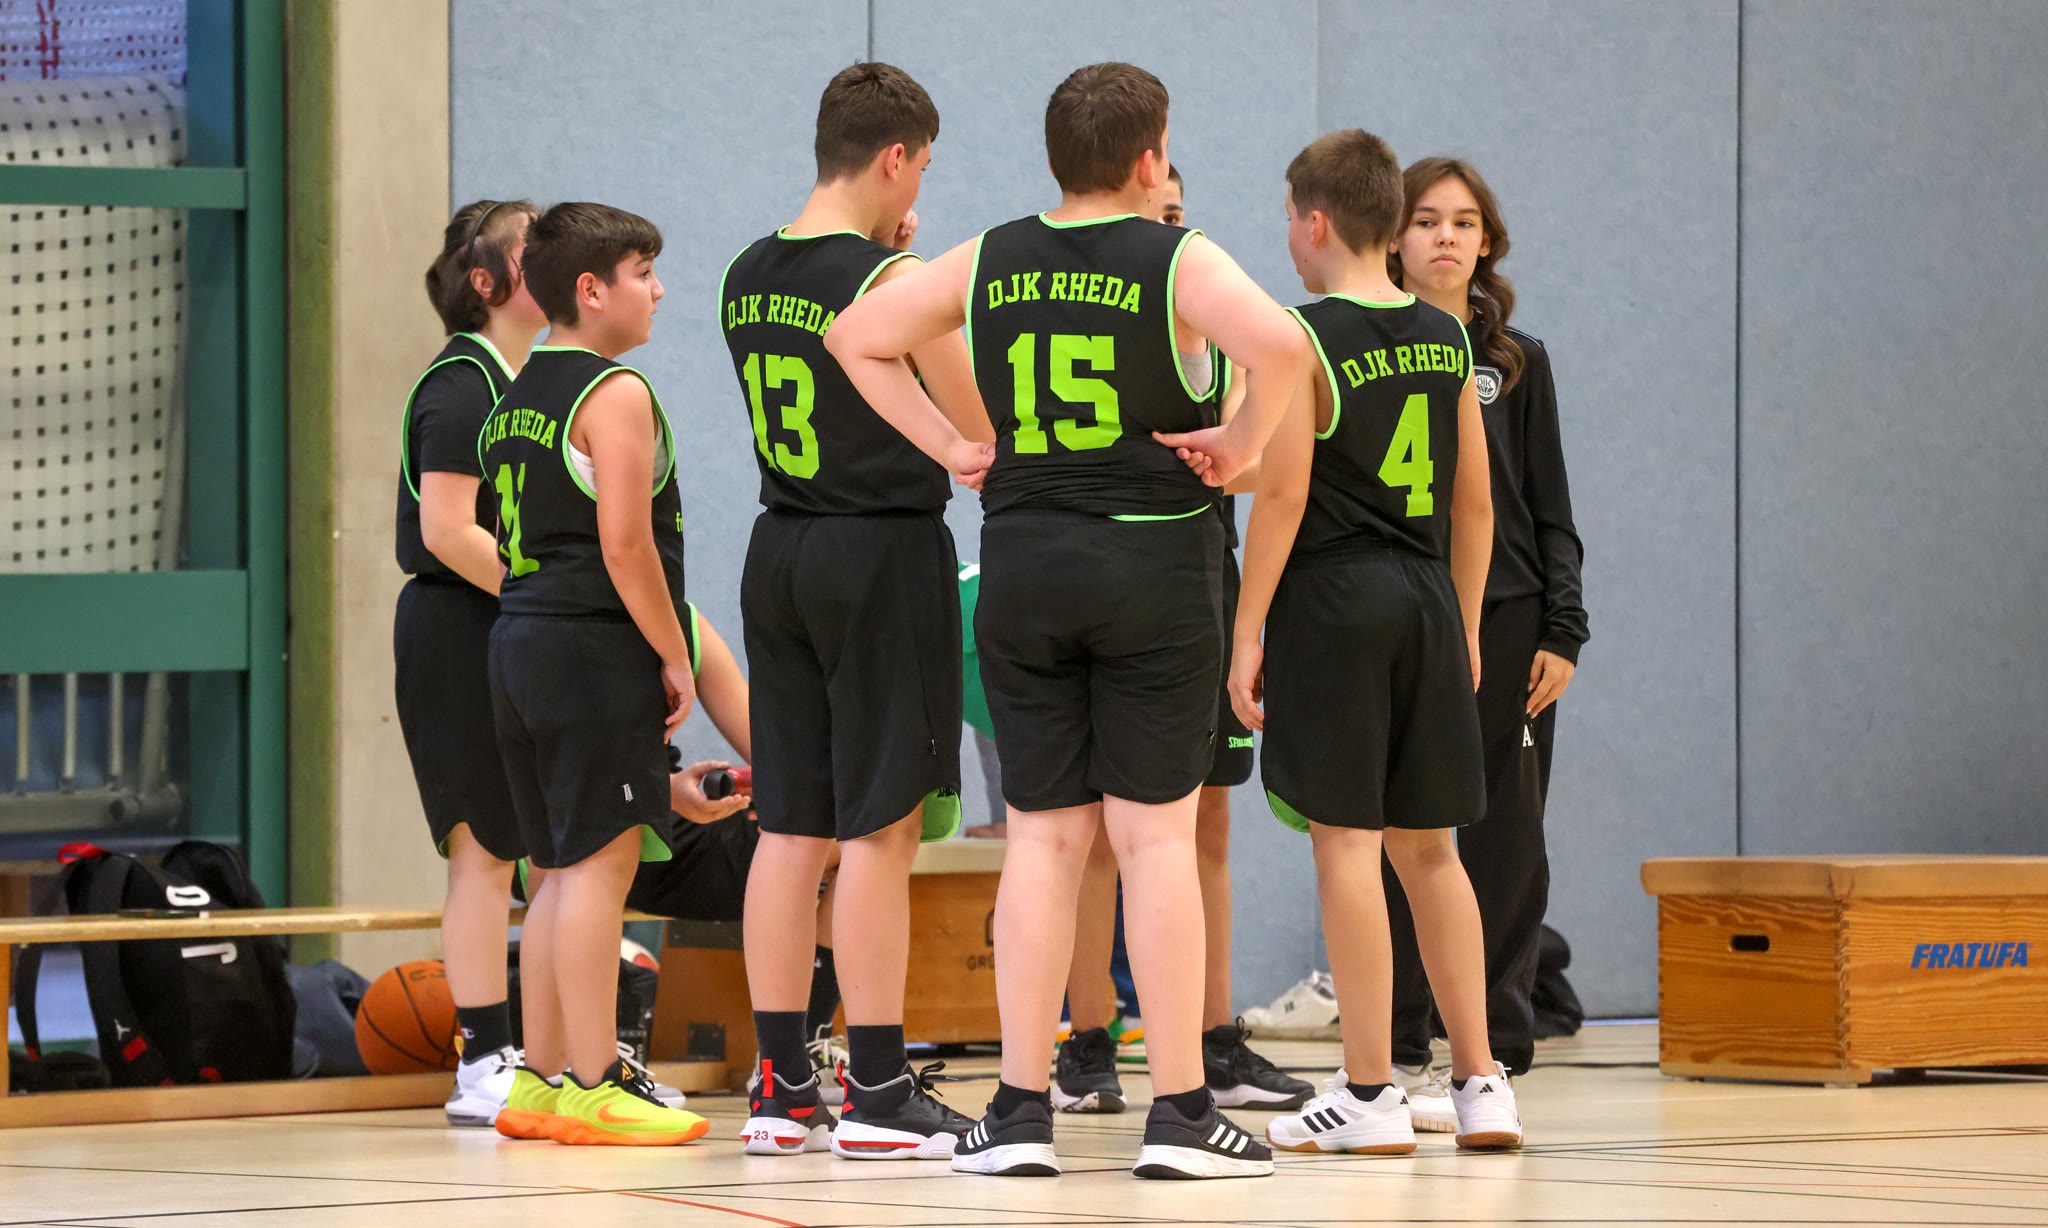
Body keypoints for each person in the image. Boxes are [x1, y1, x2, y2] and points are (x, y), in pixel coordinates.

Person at [827, 61, 1306, 1180]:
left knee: (1043, 839)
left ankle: (1017, 1110)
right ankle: (1180, 1111)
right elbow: (1285, 346)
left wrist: (953, 445)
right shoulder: (1177, 256)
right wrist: (1239, 445)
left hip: (1026, 565)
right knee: (1154, 840)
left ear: (1055, 158)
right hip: (1152, 566)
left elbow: (856, 337)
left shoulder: (989, 255)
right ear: (1150, 158)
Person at [1177, 128, 1523, 1155]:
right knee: (1432, 850)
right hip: (1426, 598)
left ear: (1315, 222)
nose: (1286, 234)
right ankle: (1481, 1081)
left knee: (1348, 845)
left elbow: (1283, 493)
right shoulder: (1443, 335)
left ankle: (1369, 1089)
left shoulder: (1302, 334)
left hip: (1335, 600)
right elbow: (1474, 504)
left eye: (1289, 217)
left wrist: (1246, 631)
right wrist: (1465, 623)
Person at [721, 62, 986, 1161]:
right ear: (894, 158)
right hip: (878, 552)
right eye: (920, 165)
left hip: (780, 548)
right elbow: (977, 414)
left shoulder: (744, 273)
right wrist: (906, 275)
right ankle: (878, 1087)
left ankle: (782, 1086)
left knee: (791, 827)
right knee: (881, 830)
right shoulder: (892, 280)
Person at [1053, 163, 1312, 1119]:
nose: (1169, 229)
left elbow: (1263, 461)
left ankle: (1211, 1039)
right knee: (1090, 829)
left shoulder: (1224, 328)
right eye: (1155, 212)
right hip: (1105, 573)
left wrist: (1230, 455)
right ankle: (1087, 1040)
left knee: (1207, 820)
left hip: (1200, 576)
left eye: (1179, 215)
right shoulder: (1092, 313)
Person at [480, 202, 709, 1146]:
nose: (659, 291)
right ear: (591, 289)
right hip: (587, 646)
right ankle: (594, 1079)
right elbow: (625, 543)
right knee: (601, 868)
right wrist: (673, 653)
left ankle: (538, 1081)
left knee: (555, 872)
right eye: (643, 273)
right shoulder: (613, 394)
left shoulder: (515, 395)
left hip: (518, 641)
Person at [1379, 157, 1587, 1126]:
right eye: (1426, 219)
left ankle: (1495, 1041)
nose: (1445, 237)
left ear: (1487, 241)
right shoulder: (1370, 346)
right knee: (1400, 829)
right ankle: (1399, 1033)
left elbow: (1551, 509)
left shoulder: (1517, 362)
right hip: (1406, 613)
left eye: (1463, 222)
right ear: (1393, 237)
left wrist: (1562, 629)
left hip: (1507, 623)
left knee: (1506, 835)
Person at [392, 199, 546, 1128]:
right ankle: (483, 1058)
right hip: (459, 627)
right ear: (486, 281)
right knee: (483, 852)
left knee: (539, 851)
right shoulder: (461, 384)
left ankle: (558, 1052)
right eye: (534, 244)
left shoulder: (528, 381)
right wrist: (546, 597)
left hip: (511, 623)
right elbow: (449, 530)